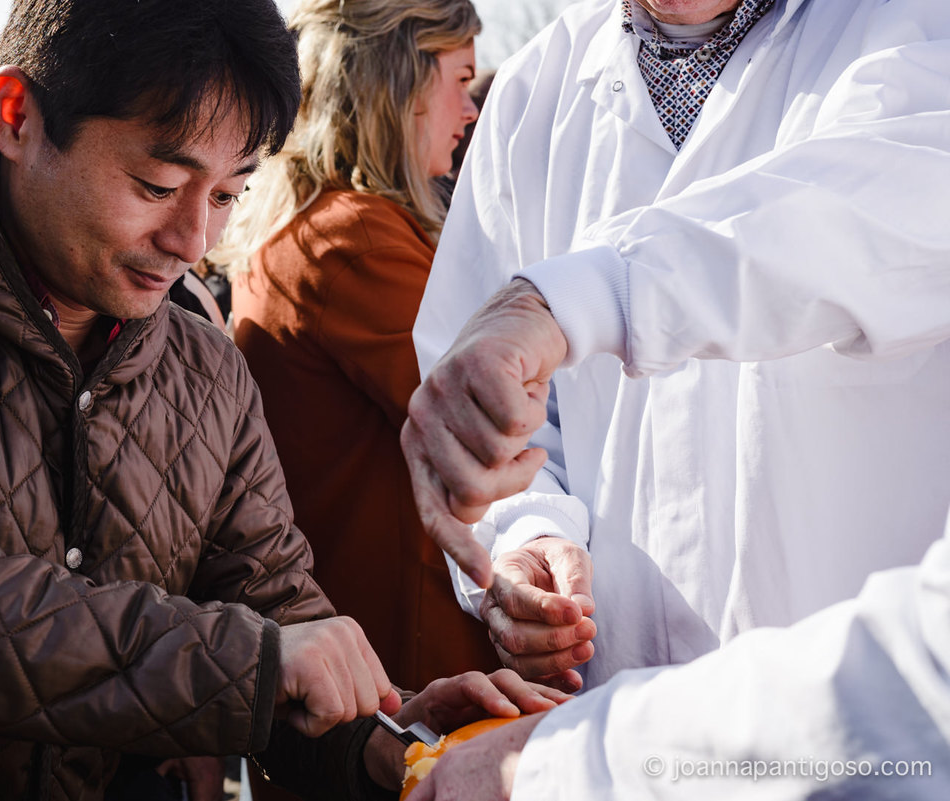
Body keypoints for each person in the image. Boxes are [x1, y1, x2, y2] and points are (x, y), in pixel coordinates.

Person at [0, 1, 568, 799]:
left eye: (225, 196)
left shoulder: (203, 362)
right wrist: (244, 664)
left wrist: (389, 739)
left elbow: (273, 617)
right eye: (156, 183)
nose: (193, 242)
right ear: (15, 115)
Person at [402, 0, 950, 706]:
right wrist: (529, 534)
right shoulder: (535, 93)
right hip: (619, 724)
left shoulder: (915, 26)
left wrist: (586, 294)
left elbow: (849, 222)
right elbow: (500, 407)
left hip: (867, 730)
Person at [226, 0, 505, 703]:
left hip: (355, 664)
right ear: (400, 83)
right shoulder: (354, 246)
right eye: (460, 79)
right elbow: (501, 422)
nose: (468, 111)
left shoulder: (314, 229)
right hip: (403, 674)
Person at [405, 505, 950, 799]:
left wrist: (567, 764)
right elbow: (508, 402)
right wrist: (531, 524)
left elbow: (924, 681)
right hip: (582, 727)